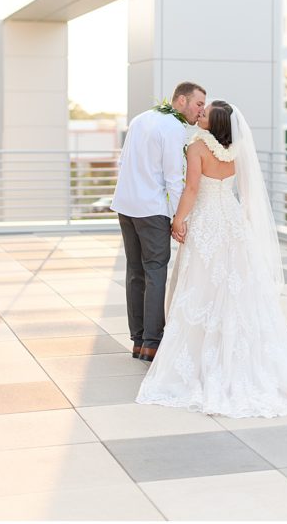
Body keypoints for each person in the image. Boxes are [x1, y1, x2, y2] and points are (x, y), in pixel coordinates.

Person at [135, 100, 287, 418]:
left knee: (201, 286)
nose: (200, 114)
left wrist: (178, 220)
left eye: (206, 112)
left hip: (206, 221)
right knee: (236, 288)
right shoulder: (239, 150)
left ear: (214, 123)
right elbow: (247, 194)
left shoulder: (197, 146)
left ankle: (201, 360)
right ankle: (237, 356)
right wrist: (245, 228)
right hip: (231, 220)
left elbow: (191, 189)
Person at [112, 82, 206, 363]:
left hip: (126, 206)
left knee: (135, 272)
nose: (201, 110)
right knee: (155, 273)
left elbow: (124, 162)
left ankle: (139, 340)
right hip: (151, 209)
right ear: (181, 101)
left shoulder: (140, 119)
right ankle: (153, 342)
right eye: (199, 104)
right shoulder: (174, 128)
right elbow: (174, 179)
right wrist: (180, 219)